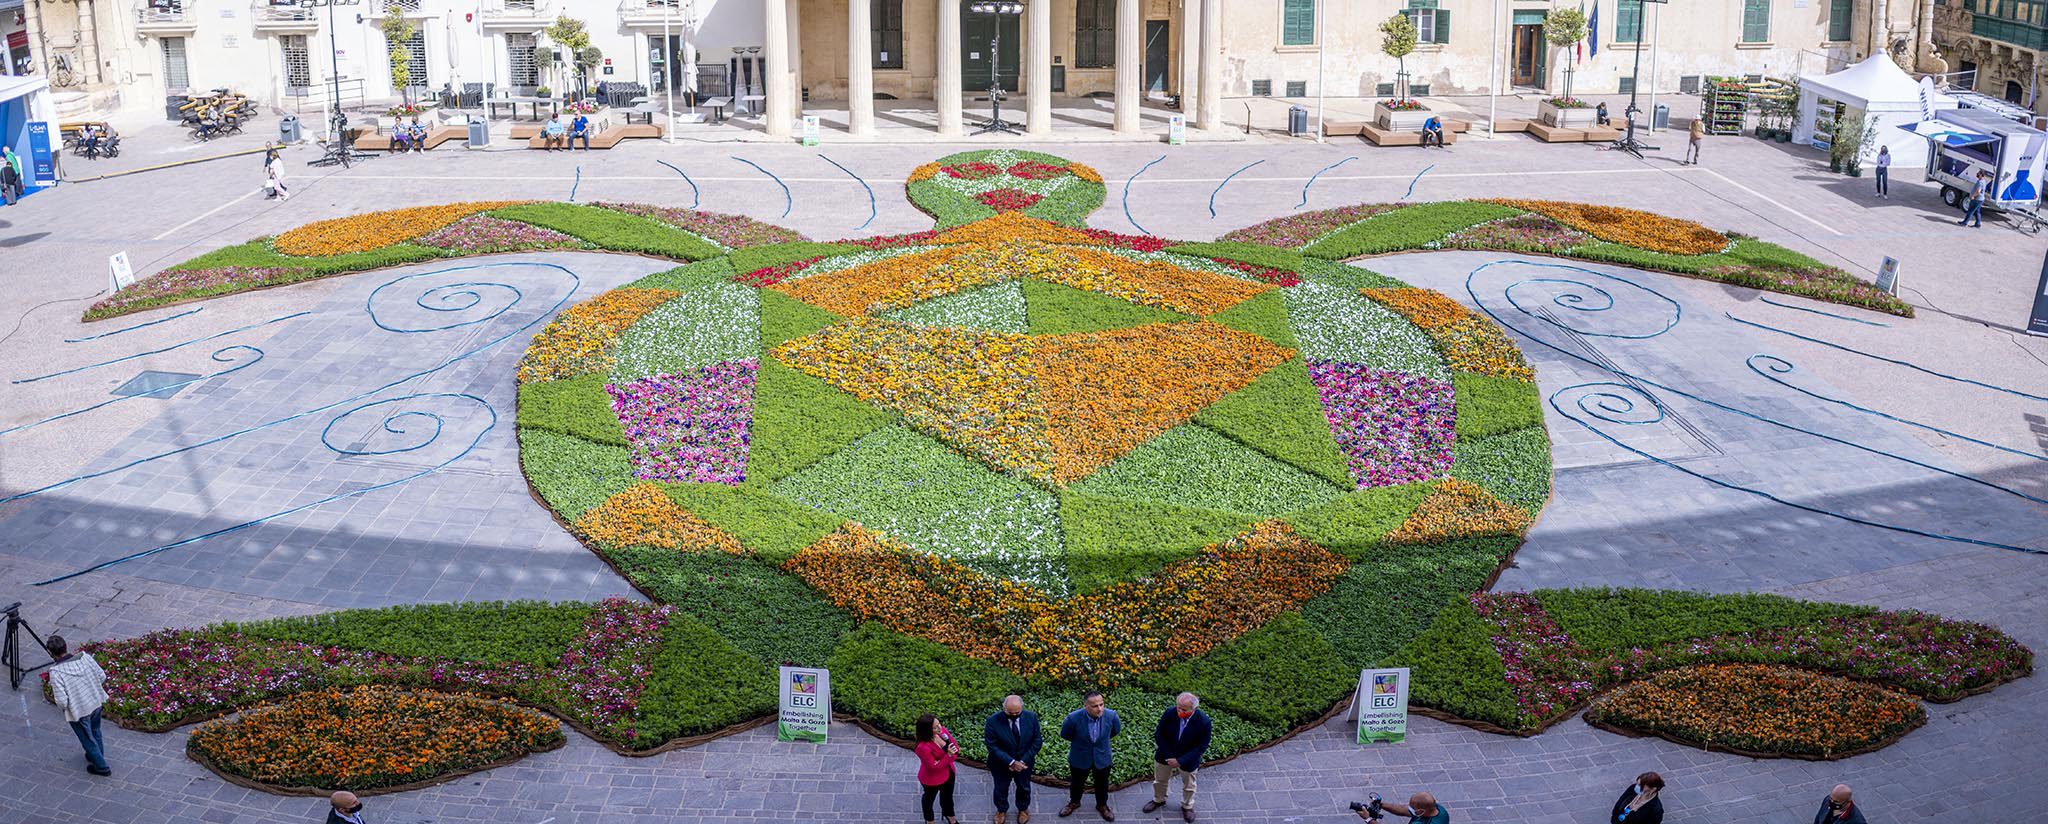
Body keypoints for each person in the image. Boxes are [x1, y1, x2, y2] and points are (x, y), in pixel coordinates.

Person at [44, 636, 110, 776]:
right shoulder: (85, 658)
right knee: (96, 730)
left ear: (50, 652)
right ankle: (96, 755)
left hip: (78, 710)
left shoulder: (56, 673)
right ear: (65, 646)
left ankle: (102, 767)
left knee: (87, 738)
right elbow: (102, 676)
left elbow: (62, 701)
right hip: (95, 702)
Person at [1143, 693, 1212, 822]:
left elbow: (1201, 747)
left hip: (1188, 760)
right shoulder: (1170, 712)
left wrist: (1180, 761)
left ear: (1194, 709)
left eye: (1184, 709)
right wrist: (1169, 756)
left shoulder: (1204, 722)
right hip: (1165, 755)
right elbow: (1159, 734)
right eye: (1178, 707)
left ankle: (1187, 806)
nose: (1179, 711)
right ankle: (1159, 799)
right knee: (1160, 780)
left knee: (1189, 785)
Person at [1058, 691, 1121, 820]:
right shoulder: (1073, 718)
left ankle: (1102, 805)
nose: (1100, 709)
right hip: (1080, 756)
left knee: (1102, 783)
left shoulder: (1112, 716)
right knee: (1077, 783)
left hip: (1102, 757)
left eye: (1101, 704)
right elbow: (1065, 734)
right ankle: (1074, 802)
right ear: (1086, 705)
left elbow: (1115, 731)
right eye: (1095, 706)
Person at [985, 694, 1043, 824]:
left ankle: (1023, 809)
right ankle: (1001, 810)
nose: (1014, 715)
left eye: (1017, 713)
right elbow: (992, 746)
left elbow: (1037, 740)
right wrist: (1011, 762)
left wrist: (1021, 762)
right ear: (1004, 708)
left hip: (1024, 763)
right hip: (1001, 764)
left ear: (1022, 708)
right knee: (1001, 788)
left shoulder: (1031, 717)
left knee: (1024, 787)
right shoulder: (992, 721)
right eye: (1010, 713)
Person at [914, 714, 960, 824]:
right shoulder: (922, 747)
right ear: (926, 730)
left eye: (939, 724)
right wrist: (948, 756)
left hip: (949, 772)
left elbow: (955, 749)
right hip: (932, 779)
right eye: (935, 727)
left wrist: (948, 756)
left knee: (948, 797)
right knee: (929, 800)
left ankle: (949, 815)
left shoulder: (942, 732)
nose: (940, 728)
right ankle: (930, 820)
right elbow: (933, 767)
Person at [1357, 792, 1447, 824]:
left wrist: (1368, 819)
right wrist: (1382, 805)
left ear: (1421, 811)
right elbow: (1404, 810)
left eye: (1413, 807)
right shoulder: (1438, 809)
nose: (1410, 808)